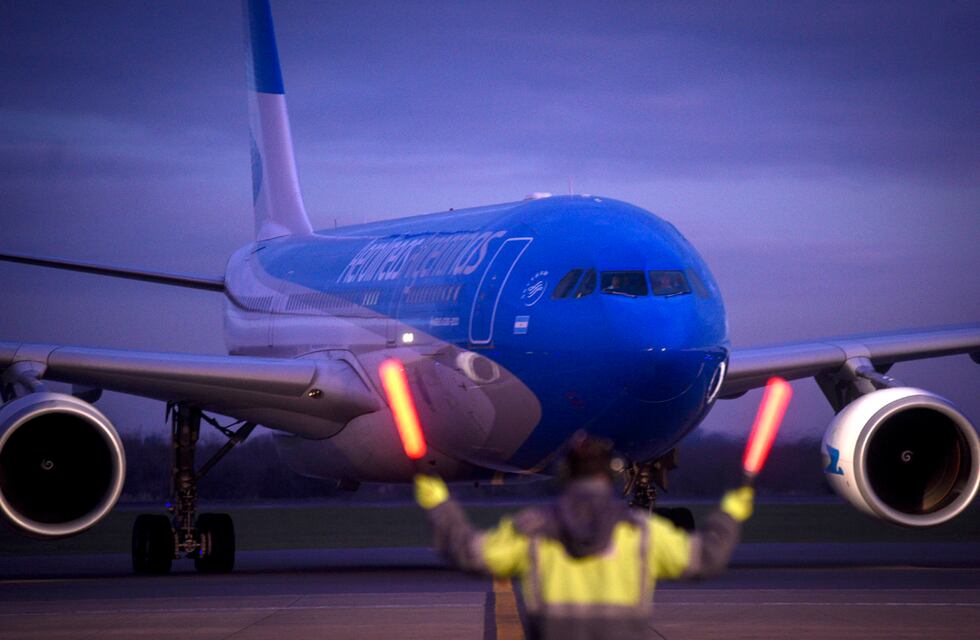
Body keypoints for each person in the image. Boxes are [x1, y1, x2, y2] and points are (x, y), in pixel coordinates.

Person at [414, 434, 754, 640]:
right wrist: (732, 512)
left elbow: (468, 552)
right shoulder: (641, 531)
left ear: (564, 475)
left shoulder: (533, 529)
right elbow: (708, 557)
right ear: (609, 475)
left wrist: (437, 501)